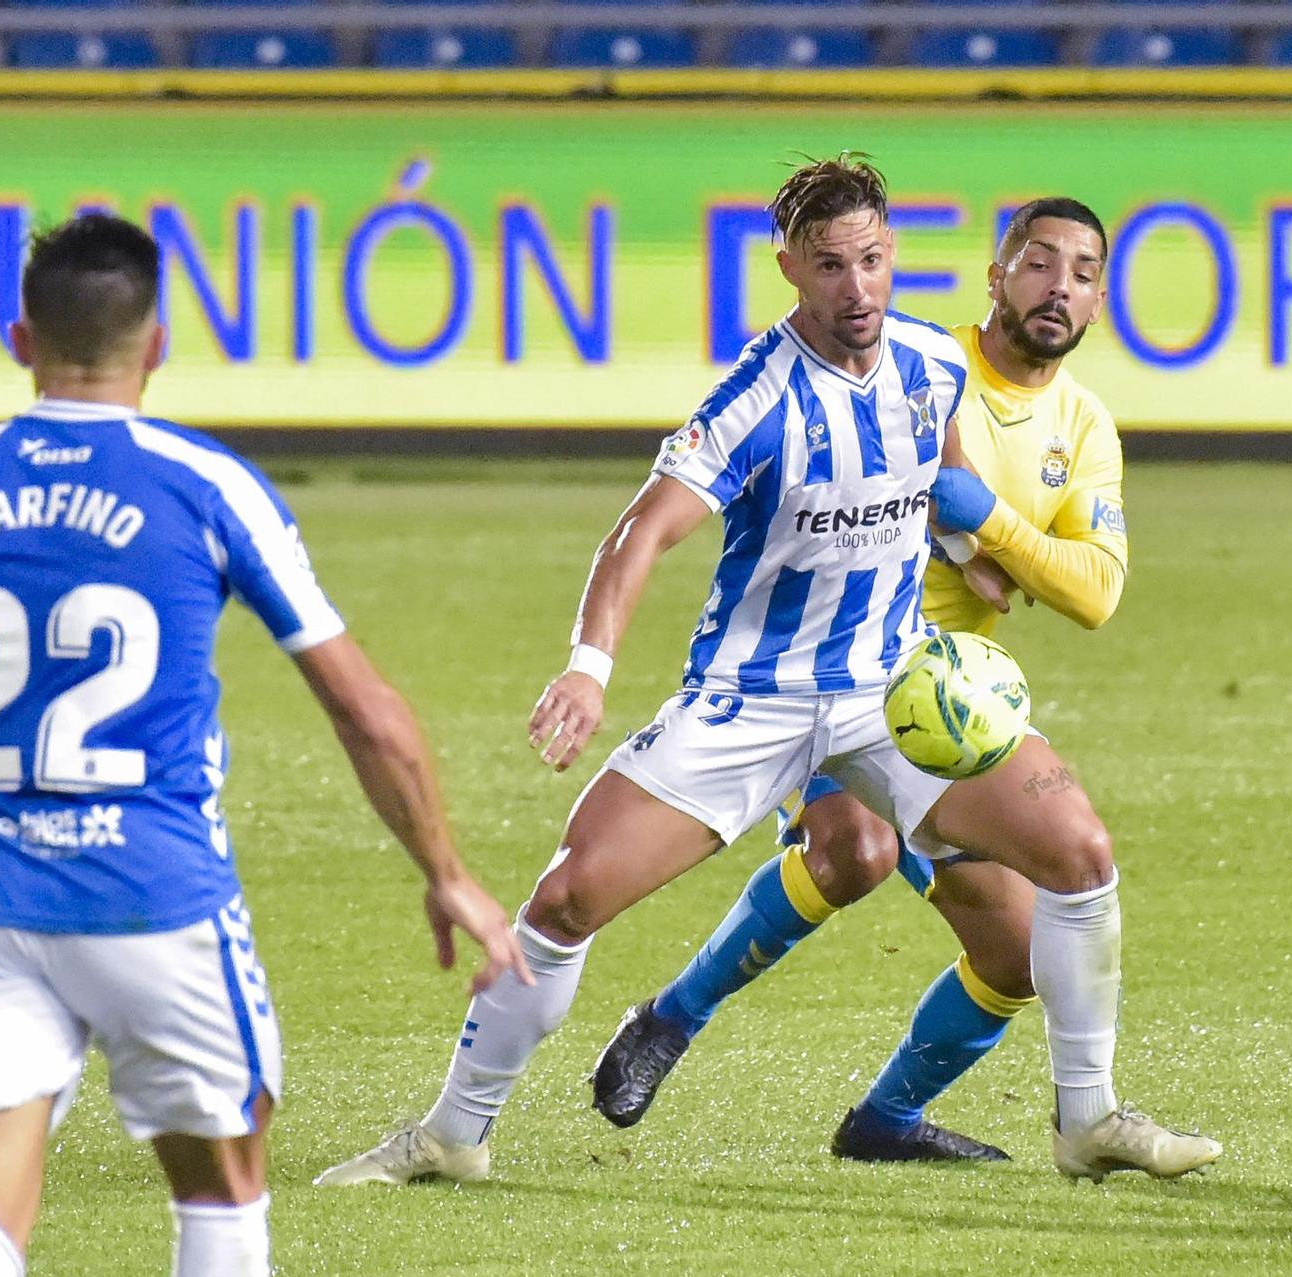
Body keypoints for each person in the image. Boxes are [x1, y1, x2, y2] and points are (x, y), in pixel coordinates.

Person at [315, 158, 1214, 1191]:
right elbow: (637, 535)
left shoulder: (930, 364)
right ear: (790, 268)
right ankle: (449, 1132)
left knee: (1077, 851)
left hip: (889, 689)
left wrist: (970, 554)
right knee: (566, 898)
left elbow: (943, 461)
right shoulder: (754, 397)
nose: (857, 287)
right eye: (830, 265)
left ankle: (1086, 1117)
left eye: (872, 259)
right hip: (753, 697)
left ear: (894, 256)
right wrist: (587, 666)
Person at [0, 214, 525, 1277]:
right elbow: (364, 710)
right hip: (156, 900)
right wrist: (444, 866)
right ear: (157, 342)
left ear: (18, 335)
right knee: (220, 1197)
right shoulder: (206, 484)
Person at [590, 198, 1203, 1175]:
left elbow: (1090, 591)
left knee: (1015, 950)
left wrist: (981, 521)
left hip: (947, 709)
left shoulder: (1081, 426)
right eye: (1036, 263)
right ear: (993, 275)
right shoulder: (912, 357)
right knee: (852, 848)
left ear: (1098, 300)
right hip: (829, 670)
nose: (1057, 287)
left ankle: (883, 1118)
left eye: (1081, 273)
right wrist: (973, 535)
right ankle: (671, 1016)